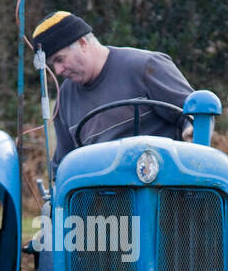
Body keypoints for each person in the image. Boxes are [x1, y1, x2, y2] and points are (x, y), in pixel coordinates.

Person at [32, 12, 194, 169]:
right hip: (99, 193)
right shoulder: (65, 98)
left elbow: (194, 114)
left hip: (159, 188)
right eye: (52, 64)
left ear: (82, 43)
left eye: (60, 59)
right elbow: (63, 164)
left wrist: (191, 130)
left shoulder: (145, 67)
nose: (58, 70)